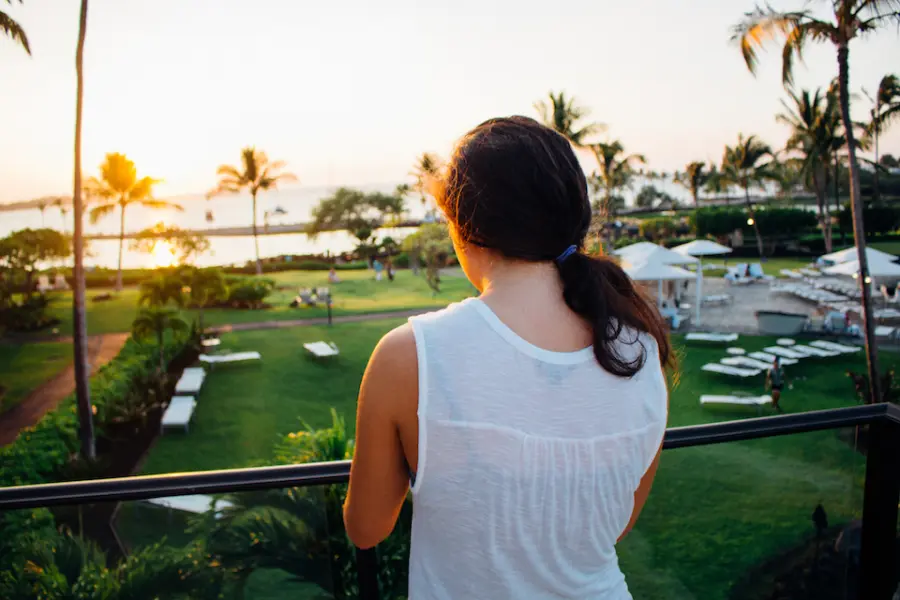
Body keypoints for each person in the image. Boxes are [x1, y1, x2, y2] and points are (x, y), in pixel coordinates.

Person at [343, 116, 671, 598]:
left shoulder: (410, 355)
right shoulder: (639, 349)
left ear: (462, 227)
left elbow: (366, 528)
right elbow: (615, 525)